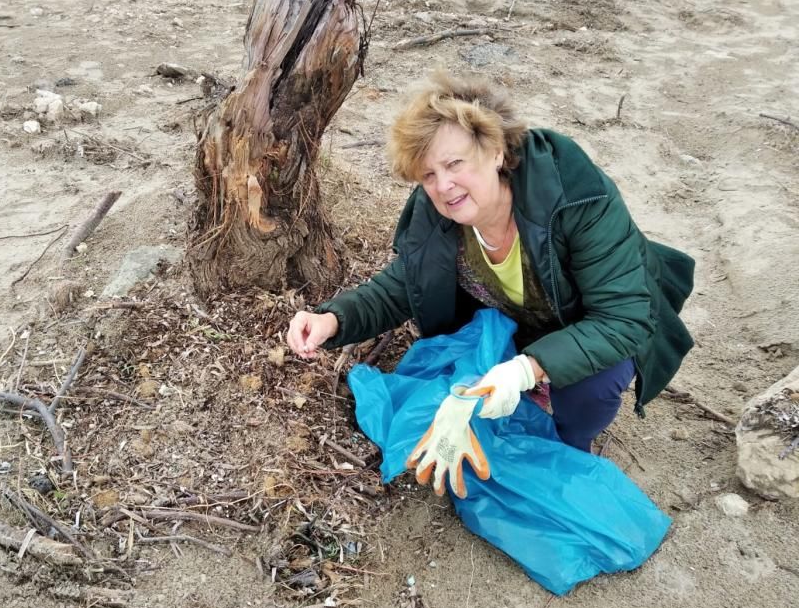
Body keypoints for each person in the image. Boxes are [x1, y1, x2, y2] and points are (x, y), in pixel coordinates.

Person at [286, 72, 694, 465]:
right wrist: (332, 320)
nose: (443, 186)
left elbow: (622, 318)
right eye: (428, 174)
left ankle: (569, 448)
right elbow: (403, 287)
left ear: (496, 151)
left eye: (455, 163)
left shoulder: (576, 199)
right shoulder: (437, 215)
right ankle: (527, 400)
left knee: (591, 386)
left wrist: (524, 370)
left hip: (596, 322)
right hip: (525, 324)